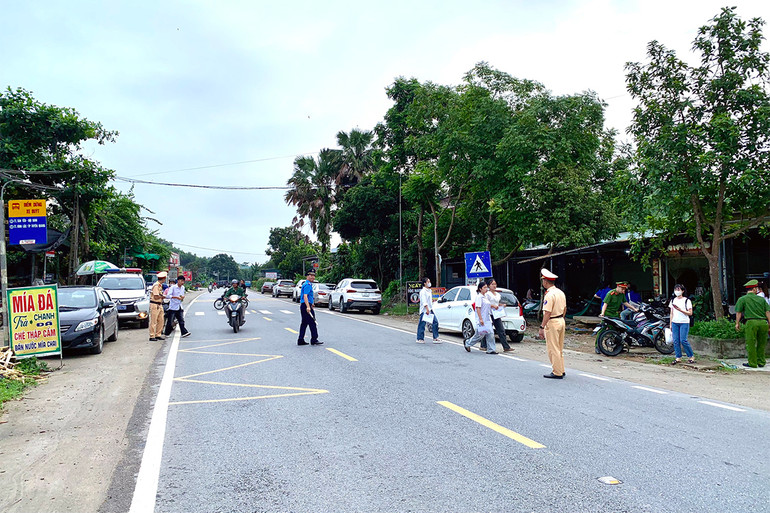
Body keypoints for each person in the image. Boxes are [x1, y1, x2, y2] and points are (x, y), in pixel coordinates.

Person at [734, 279, 770, 368]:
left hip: (751, 322)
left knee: (751, 343)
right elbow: (767, 312)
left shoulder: (742, 299)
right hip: (763, 322)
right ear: (754, 289)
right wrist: (769, 322)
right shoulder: (762, 299)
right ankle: (761, 361)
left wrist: (737, 323)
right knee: (762, 343)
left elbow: (738, 312)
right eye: (757, 288)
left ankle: (752, 363)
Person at [539, 269, 567, 379]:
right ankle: (561, 369)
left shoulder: (549, 295)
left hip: (552, 321)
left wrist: (542, 326)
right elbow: (564, 309)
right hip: (561, 320)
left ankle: (557, 372)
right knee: (559, 347)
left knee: (553, 348)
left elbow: (547, 313)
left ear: (545, 281)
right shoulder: (560, 292)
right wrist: (561, 319)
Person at [463, 282, 497, 354]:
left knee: (490, 333)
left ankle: (491, 349)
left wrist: (494, 306)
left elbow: (488, 305)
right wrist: (480, 319)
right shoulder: (479, 297)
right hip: (481, 319)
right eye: (484, 287)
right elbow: (478, 308)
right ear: (480, 289)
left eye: (486, 287)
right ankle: (468, 343)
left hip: (487, 319)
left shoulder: (485, 297)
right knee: (479, 335)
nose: (486, 289)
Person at [485, 278, 513, 352]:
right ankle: (483, 345)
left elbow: (497, 303)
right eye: (492, 284)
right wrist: (493, 306)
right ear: (488, 286)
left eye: (495, 284)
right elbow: (486, 303)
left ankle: (506, 347)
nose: (494, 286)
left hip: (496, 314)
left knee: (501, 330)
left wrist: (502, 305)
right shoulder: (487, 294)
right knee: (488, 330)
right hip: (489, 314)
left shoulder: (497, 295)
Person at [669, 284, 694, 364]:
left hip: (684, 322)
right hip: (675, 322)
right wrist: (670, 324)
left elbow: (690, 313)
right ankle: (678, 357)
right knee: (676, 340)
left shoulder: (687, 301)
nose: (677, 291)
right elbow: (671, 313)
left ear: (683, 291)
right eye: (676, 289)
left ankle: (691, 356)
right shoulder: (673, 300)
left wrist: (680, 310)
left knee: (683, 340)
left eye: (679, 289)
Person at [298, 270, 322, 346]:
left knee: (304, 323)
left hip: (305, 305)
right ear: (307, 276)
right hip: (306, 306)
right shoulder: (308, 284)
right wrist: (308, 307)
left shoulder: (306, 284)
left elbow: (308, 297)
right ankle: (314, 339)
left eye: (314, 275)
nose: (313, 277)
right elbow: (305, 296)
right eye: (311, 275)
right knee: (312, 323)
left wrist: (311, 304)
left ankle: (300, 339)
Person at [417, 276, 440, 344]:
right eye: (428, 282)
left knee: (435, 322)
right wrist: (427, 309)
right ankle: (420, 338)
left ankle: (435, 338)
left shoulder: (429, 291)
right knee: (422, 324)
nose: (429, 283)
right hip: (425, 310)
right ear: (424, 283)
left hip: (430, 309)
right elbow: (424, 301)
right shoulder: (423, 291)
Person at [149, 271, 167, 341]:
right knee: (154, 321)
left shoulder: (160, 285)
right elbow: (156, 296)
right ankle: (152, 336)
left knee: (161, 320)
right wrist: (162, 297)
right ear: (163, 279)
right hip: (155, 304)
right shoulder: (156, 286)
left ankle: (158, 334)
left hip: (159, 304)